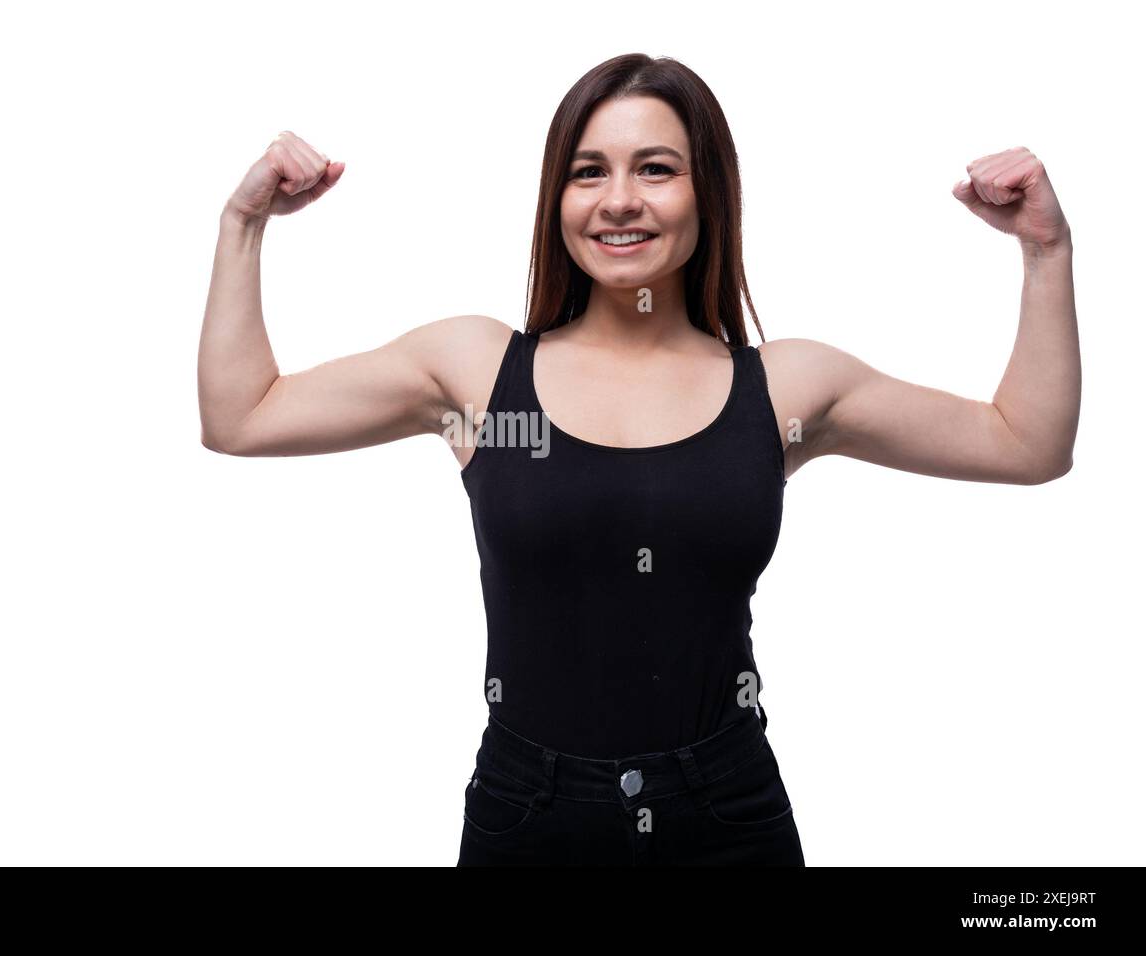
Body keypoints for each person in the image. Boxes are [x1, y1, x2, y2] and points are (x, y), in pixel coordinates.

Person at [196, 54, 1079, 866]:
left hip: (726, 812)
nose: (619, 200)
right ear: (558, 199)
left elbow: (1026, 443)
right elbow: (242, 415)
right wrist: (243, 225)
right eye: (590, 172)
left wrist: (1045, 252)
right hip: (526, 815)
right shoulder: (475, 373)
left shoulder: (785, 390)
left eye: (655, 168)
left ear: (708, 194)